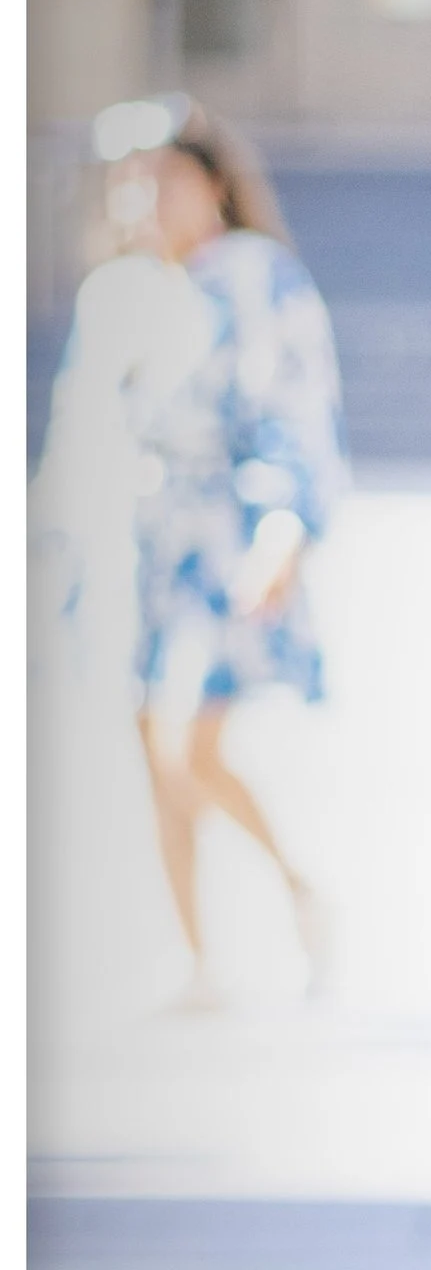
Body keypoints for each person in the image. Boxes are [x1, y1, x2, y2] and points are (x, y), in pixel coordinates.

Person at [35, 99, 344, 1002]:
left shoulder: (258, 278)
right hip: (138, 548)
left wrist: (285, 531)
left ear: (211, 185)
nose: (147, 198)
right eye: (134, 182)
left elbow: (298, 408)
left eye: (165, 178)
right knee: (150, 746)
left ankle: (297, 888)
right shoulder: (119, 292)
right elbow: (78, 426)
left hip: (226, 539)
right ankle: (197, 955)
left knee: (190, 745)